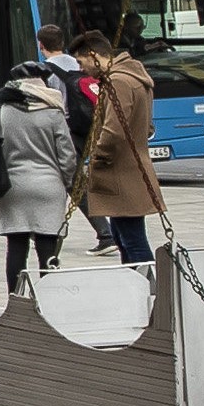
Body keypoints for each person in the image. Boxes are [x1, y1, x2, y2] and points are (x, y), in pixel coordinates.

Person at [71, 30, 164, 268]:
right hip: (129, 167)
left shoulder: (118, 81)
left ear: (94, 56)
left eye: (81, 62)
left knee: (132, 241)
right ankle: (138, 287)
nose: (81, 69)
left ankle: (147, 290)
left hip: (120, 171)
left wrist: (96, 159)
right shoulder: (132, 76)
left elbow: (113, 130)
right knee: (125, 237)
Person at [0, 67, 75, 288]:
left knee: (15, 247)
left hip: (13, 186)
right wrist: (67, 181)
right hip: (49, 186)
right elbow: (67, 155)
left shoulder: (0, 109)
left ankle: (15, 298)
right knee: (47, 247)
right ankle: (49, 297)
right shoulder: (53, 111)